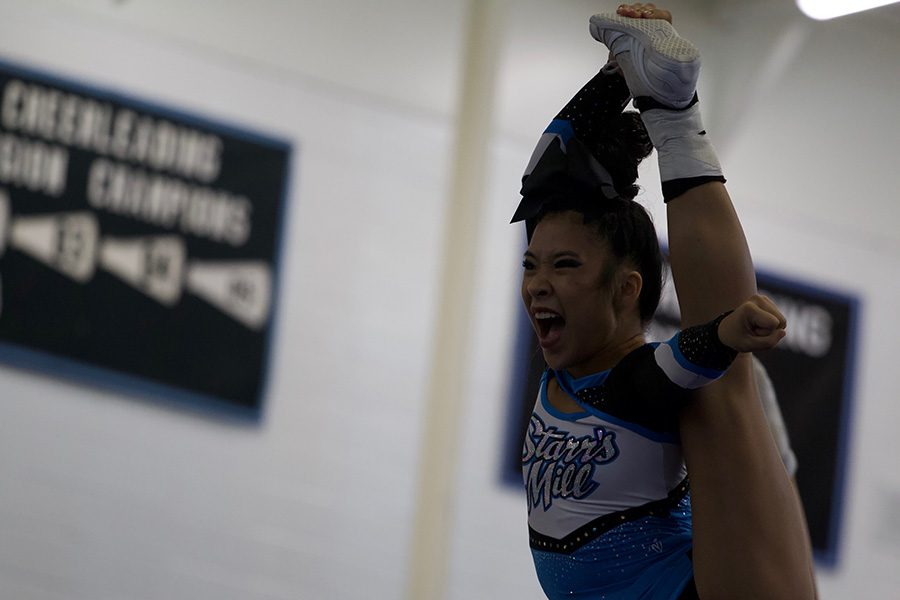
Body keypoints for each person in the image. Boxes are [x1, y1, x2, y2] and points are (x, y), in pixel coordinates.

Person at [513, 4, 817, 598]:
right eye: (531, 266)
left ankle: (676, 113)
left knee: (722, 386)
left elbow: (671, 367)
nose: (537, 282)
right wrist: (617, 75)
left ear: (627, 288)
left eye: (564, 266)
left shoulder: (628, 381)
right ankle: (672, 109)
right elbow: (547, 184)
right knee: (723, 389)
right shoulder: (574, 369)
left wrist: (727, 335)